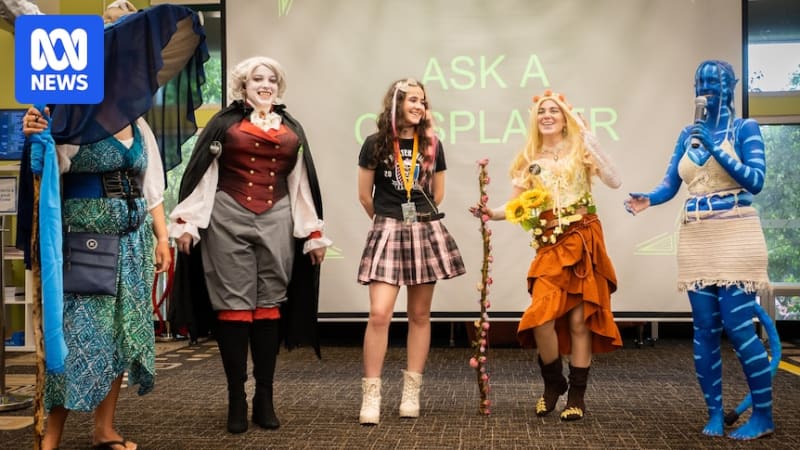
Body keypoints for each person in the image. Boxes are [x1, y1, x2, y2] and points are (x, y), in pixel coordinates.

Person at [169, 56, 330, 434]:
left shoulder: (291, 127)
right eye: (257, 78)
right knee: (234, 305)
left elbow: (300, 182)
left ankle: (265, 397)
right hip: (228, 218)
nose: (265, 84)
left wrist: (312, 232)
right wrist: (188, 222)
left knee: (269, 304)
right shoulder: (224, 124)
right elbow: (204, 175)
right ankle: (236, 399)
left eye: (271, 79)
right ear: (243, 85)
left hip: (277, 217)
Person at [624, 60, 773, 440]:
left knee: (739, 330)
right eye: (700, 82)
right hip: (696, 237)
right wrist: (649, 199)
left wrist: (716, 150)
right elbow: (670, 183)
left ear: (731, 87)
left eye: (714, 82)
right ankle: (715, 413)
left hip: (736, 233)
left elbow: (755, 180)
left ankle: (764, 416)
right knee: (705, 329)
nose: (705, 88)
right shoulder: (686, 134)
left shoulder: (745, 129)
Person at [23, 105, 170, 450]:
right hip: (85, 245)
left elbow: (152, 188)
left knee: (119, 337)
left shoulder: (137, 122)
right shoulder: (72, 119)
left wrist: (162, 239)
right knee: (77, 339)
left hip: (132, 245)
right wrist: (38, 136)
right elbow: (47, 170)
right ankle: (50, 439)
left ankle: (104, 430)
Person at [473, 90, 622, 421]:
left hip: (583, 238)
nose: (548, 115)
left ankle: (577, 397)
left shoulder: (582, 149)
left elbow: (614, 180)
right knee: (541, 319)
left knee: (580, 322)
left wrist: (589, 137)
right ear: (535, 118)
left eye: (555, 110)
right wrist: (489, 213)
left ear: (565, 115)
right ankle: (554, 382)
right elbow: (515, 206)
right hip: (550, 245)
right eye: (542, 111)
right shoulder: (529, 158)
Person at [356, 78, 465, 425]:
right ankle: (371, 395)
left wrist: (415, 221)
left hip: (423, 228)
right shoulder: (374, 144)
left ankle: (411, 392)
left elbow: (438, 193)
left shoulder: (432, 144)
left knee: (419, 316)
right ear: (396, 103)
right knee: (379, 313)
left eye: (423, 101)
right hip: (388, 228)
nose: (420, 106)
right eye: (413, 100)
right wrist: (387, 223)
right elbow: (364, 196)